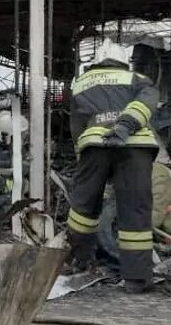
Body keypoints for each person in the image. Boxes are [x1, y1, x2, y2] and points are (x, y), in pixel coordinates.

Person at [65, 55, 160, 293]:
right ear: (122, 65)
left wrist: (83, 156)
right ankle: (137, 281)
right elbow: (147, 104)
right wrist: (125, 125)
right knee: (135, 211)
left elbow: (76, 125)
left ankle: (81, 261)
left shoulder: (81, 82)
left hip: (94, 145)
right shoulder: (137, 78)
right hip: (135, 146)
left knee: (83, 208)